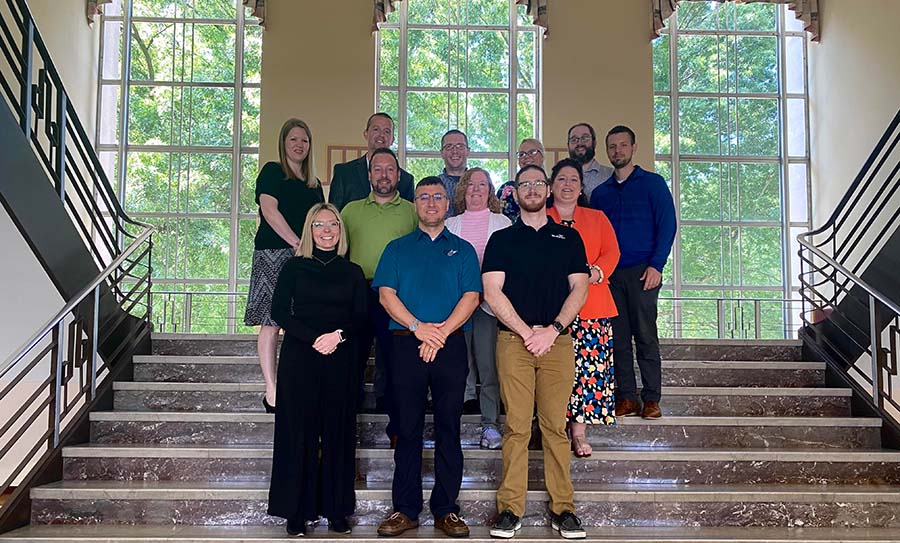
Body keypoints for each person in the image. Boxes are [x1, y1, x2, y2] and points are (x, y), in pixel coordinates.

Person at [482, 165, 589, 540]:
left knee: (555, 427)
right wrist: (528, 333)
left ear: (548, 190)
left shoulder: (569, 238)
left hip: (558, 342)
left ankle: (564, 510)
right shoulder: (502, 240)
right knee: (516, 427)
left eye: (537, 183)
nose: (531, 189)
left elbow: (580, 288)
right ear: (515, 193)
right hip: (515, 342)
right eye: (523, 184)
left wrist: (553, 329)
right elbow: (492, 291)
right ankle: (510, 509)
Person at [373, 177, 481, 538]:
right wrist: (419, 328)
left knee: (450, 426)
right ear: (415, 204)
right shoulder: (397, 248)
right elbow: (386, 295)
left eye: (437, 197)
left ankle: (446, 510)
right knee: (407, 428)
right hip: (407, 344)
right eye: (423, 197)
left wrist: (440, 333)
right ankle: (405, 509)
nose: (431, 203)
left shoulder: (463, 250)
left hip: (450, 344)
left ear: (448, 204)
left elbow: (471, 297)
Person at [267, 203, 368, 536]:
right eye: (319, 225)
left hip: (341, 356)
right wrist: (314, 338)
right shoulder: (293, 267)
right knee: (297, 433)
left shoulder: (352, 271)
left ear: (341, 230)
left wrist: (337, 336)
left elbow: (361, 317)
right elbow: (280, 312)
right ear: (309, 230)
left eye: (333, 224)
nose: (327, 231)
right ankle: (295, 512)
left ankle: (337, 511)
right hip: (300, 356)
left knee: (339, 433)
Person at [590, 125, 676, 420]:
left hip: (643, 272)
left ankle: (651, 399)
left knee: (646, 336)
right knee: (618, 338)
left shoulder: (653, 184)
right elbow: (596, 236)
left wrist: (657, 265)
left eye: (623, 145)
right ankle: (626, 397)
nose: (617, 151)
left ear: (633, 148)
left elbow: (668, 225)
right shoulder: (600, 194)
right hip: (611, 276)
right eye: (612, 146)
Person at [244, 118, 324, 414]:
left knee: (299, 321)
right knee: (271, 321)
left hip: (305, 258)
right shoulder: (272, 171)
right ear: (283, 143)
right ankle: (272, 389)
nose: (299, 145)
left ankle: (295, 384)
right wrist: (296, 242)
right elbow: (269, 211)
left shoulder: (314, 184)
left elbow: (319, 220)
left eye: (304, 140)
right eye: (294, 139)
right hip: (273, 253)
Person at [341, 147, 418, 442]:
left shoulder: (412, 210)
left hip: (398, 295)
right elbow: (339, 253)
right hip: (358, 293)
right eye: (377, 169)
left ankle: (397, 430)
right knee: (352, 361)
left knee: (396, 363)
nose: (384, 175)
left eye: (390, 169)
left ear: (398, 175)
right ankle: (346, 429)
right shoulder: (350, 211)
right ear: (369, 174)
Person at [547, 158, 620, 458]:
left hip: (592, 306)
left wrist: (592, 273)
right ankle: (550, 429)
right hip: (549, 308)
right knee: (551, 374)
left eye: (573, 180)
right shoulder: (539, 217)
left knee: (586, 375)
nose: (567, 185)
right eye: (561, 179)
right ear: (551, 186)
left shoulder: (597, 217)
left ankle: (578, 433)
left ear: (581, 187)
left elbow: (612, 252)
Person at [445, 167, 512, 449]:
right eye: (470, 184)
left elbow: (509, 265)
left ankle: (490, 424)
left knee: (488, 365)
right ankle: (456, 418)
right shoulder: (450, 224)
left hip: (489, 305)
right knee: (459, 362)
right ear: (462, 190)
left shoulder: (503, 222)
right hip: (458, 304)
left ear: (489, 191)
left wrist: (489, 294)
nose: (476, 189)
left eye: (482, 184)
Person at [329, 113, 415, 210]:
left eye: (387, 131)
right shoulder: (344, 173)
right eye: (376, 129)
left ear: (392, 140)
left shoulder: (406, 180)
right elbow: (333, 213)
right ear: (366, 134)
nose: (381, 135)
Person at [497, 138, 545, 223]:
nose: (526, 157)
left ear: (542, 156)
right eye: (522, 154)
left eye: (532, 152)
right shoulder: (506, 189)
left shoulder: (552, 187)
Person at [567, 123, 614, 201]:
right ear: (568, 145)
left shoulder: (611, 175)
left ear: (594, 142)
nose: (579, 143)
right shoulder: (558, 177)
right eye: (574, 140)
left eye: (585, 138)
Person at [437, 129, 470, 216]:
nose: (455, 151)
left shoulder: (480, 185)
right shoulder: (433, 186)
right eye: (449, 147)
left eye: (460, 146)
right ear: (442, 153)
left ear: (468, 151)